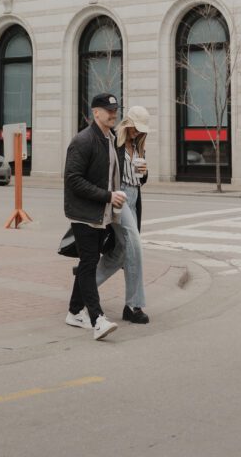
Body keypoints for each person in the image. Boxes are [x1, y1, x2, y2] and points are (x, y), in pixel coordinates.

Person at [64, 92, 126, 341]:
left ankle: (74, 311)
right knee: (89, 263)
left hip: (101, 213)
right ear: (95, 113)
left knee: (89, 263)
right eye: (107, 110)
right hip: (84, 213)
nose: (113, 114)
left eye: (115, 110)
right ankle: (97, 318)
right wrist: (107, 196)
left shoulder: (110, 139)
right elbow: (73, 179)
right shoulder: (83, 140)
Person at [96, 105, 151, 324]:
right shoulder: (113, 143)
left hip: (135, 197)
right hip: (120, 198)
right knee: (135, 244)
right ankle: (134, 305)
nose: (138, 132)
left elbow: (140, 180)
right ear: (127, 124)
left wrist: (144, 173)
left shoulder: (138, 146)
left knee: (121, 252)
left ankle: (84, 287)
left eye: (141, 129)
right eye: (135, 128)